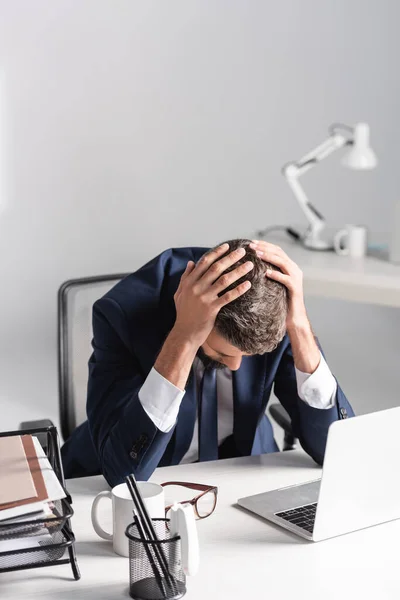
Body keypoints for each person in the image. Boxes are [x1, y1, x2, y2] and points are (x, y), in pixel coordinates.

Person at [61, 238, 354, 486]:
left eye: (247, 357)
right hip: (144, 480)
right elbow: (126, 474)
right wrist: (184, 337)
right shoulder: (120, 314)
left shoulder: (276, 312)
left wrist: (300, 327)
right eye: (224, 353)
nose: (237, 366)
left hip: (240, 476)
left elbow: (339, 453)